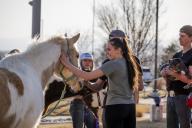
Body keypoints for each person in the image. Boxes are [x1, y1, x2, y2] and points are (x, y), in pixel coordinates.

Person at [60, 37, 140, 128]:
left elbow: (86, 75)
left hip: (115, 108)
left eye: (109, 49)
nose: (107, 52)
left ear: (119, 50)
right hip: (130, 108)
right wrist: (87, 84)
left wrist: (67, 64)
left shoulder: (112, 64)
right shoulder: (130, 64)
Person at [160, 25, 192, 128]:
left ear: (191, 38)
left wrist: (173, 73)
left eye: (182, 36)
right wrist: (165, 74)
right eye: (179, 35)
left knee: (184, 126)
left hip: (183, 96)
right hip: (170, 96)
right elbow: (170, 78)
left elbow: (190, 80)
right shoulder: (176, 55)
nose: (179, 38)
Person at [69, 52, 99, 128]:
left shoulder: (95, 75)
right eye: (85, 60)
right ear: (81, 62)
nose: (87, 63)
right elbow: (70, 92)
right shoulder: (75, 75)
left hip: (90, 106)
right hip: (77, 104)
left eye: (89, 61)